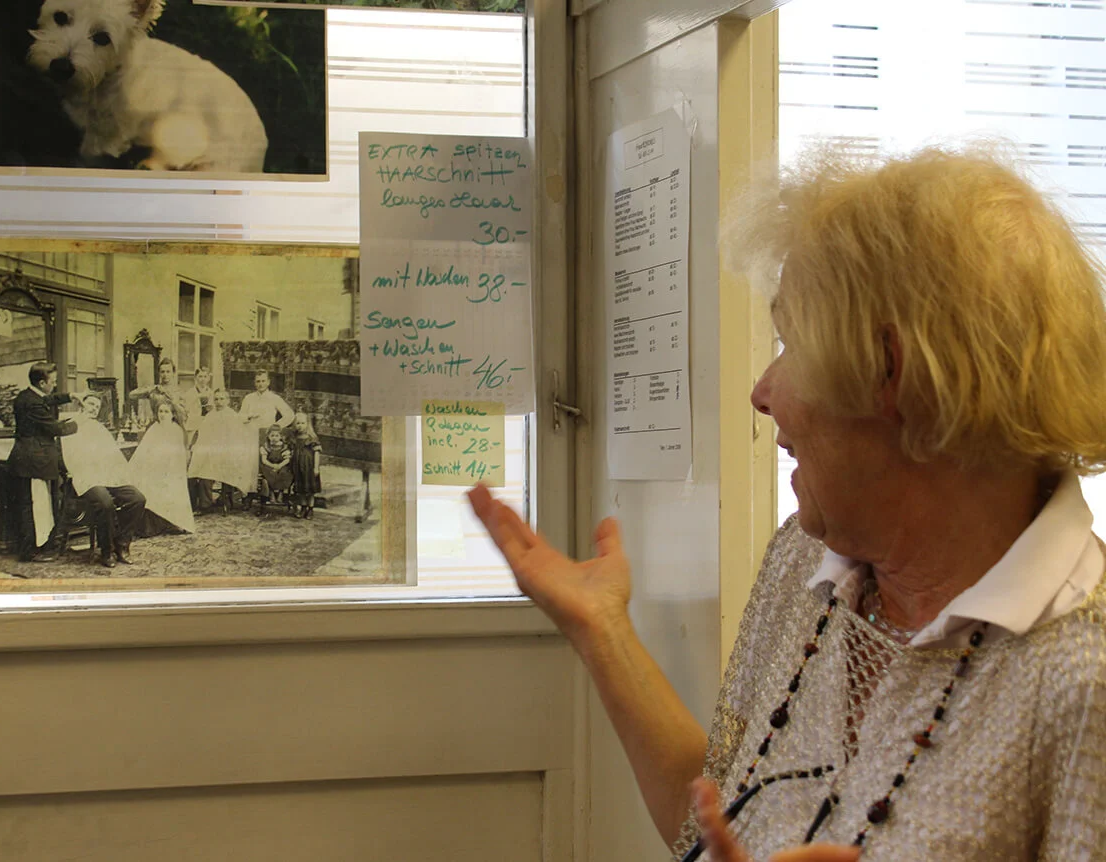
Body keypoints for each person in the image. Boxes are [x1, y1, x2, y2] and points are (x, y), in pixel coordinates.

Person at [469, 146, 1106, 861]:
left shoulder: (1084, 676)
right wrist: (604, 632)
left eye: (790, 341)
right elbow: (713, 819)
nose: (762, 391)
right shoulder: (808, 564)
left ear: (888, 370)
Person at [57, 393, 147, 568]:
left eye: (97, 407)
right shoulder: (70, 425)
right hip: (85, 477)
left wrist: (117, 472)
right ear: (82, 405)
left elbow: (112, 456)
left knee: (137, 498)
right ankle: (106, 551)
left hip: (107, 476)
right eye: (91, 404)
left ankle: (122, 544)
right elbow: (69, 457)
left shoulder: (99, 428)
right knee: (105, 503)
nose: (93, 409)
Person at [7, 360, 76, 562]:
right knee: (34, 506)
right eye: (52, 381)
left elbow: (49, 400)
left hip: (27, 458)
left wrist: (70, 396)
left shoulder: (26, 396)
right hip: (32, 461)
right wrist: (81, 422)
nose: (54, 384)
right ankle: (30, 552)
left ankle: (35, 547)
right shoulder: (33, 403)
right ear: (41, 383)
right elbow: (56, 429)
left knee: (35, 505)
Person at [130, 398, 196, 534]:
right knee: (142, 482)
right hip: (153, 468)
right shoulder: (154, 428)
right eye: (160, 411)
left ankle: (165, 523)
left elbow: (176, 457)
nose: (163, 414)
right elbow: (144, 450)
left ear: (172, 414)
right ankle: (147, 525)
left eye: (166, 411)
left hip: (170, 471)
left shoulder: (176, 430)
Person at [188, 388, 255, 513]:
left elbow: (236, 437)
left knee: (207, 471)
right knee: (197, 472)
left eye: (222, 399)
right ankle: (200, 504)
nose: (219, 402)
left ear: (228, 401)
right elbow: (204, 435)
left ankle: (214, 502)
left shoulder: (232, 416)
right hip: (210, 453)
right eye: (216, 399)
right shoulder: (210, 415)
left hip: (226, 455)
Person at [130, 357, 189, 431]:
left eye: (168, 372)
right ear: (159, 373)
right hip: (156, 428)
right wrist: (150, 389)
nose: (165, 375)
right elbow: (131, 395)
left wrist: (173, 401)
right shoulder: (154, 390)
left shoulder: (179, 392)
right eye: (162, 372)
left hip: (173, 429)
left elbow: (184, 417)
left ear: (173, 373)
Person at [289, 412, 323, 519]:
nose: (300, 425)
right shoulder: (294, 438)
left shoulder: (311, 438)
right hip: (298, 467)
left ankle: (310, 508)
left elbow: (317, 453)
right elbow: (291, 450)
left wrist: (316, 467)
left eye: (303, 423)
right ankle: (303, 507)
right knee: (300, 489)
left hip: (309, 467)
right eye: (298, 423)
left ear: (307, 424)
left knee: (310, 490)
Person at [258, 424, 293, 507]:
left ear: (280, 436)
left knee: (284, 473)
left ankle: (281, 493)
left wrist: (279, 466)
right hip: (269, 465)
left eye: (277, 435)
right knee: (268, 474)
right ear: (268, 436)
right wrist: (272, 466)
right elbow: (264, 460)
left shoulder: (284, 446)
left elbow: (287, 460)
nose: (274, 437)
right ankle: (271, 494)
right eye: (272, 435)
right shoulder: (266, 446)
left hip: (281, 465)